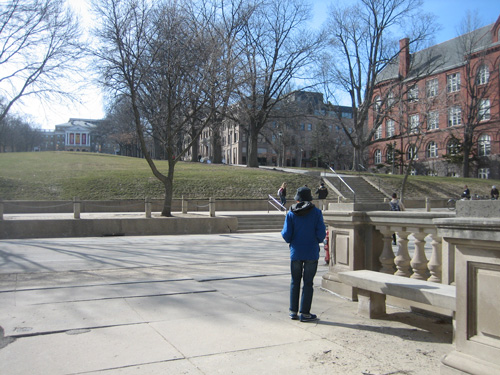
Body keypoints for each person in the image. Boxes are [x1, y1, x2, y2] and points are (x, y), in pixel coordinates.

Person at [281, 186, 326, 323]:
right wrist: (315, 240)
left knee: (295, 281)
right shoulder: (316, 213)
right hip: (311, 252)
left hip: (296, 252)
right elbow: (321, 234)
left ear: (297, 199)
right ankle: (305, 313)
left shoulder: (291, 213)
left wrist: (293, 241)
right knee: (308, 283)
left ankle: (293, 311)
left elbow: (286, 234)